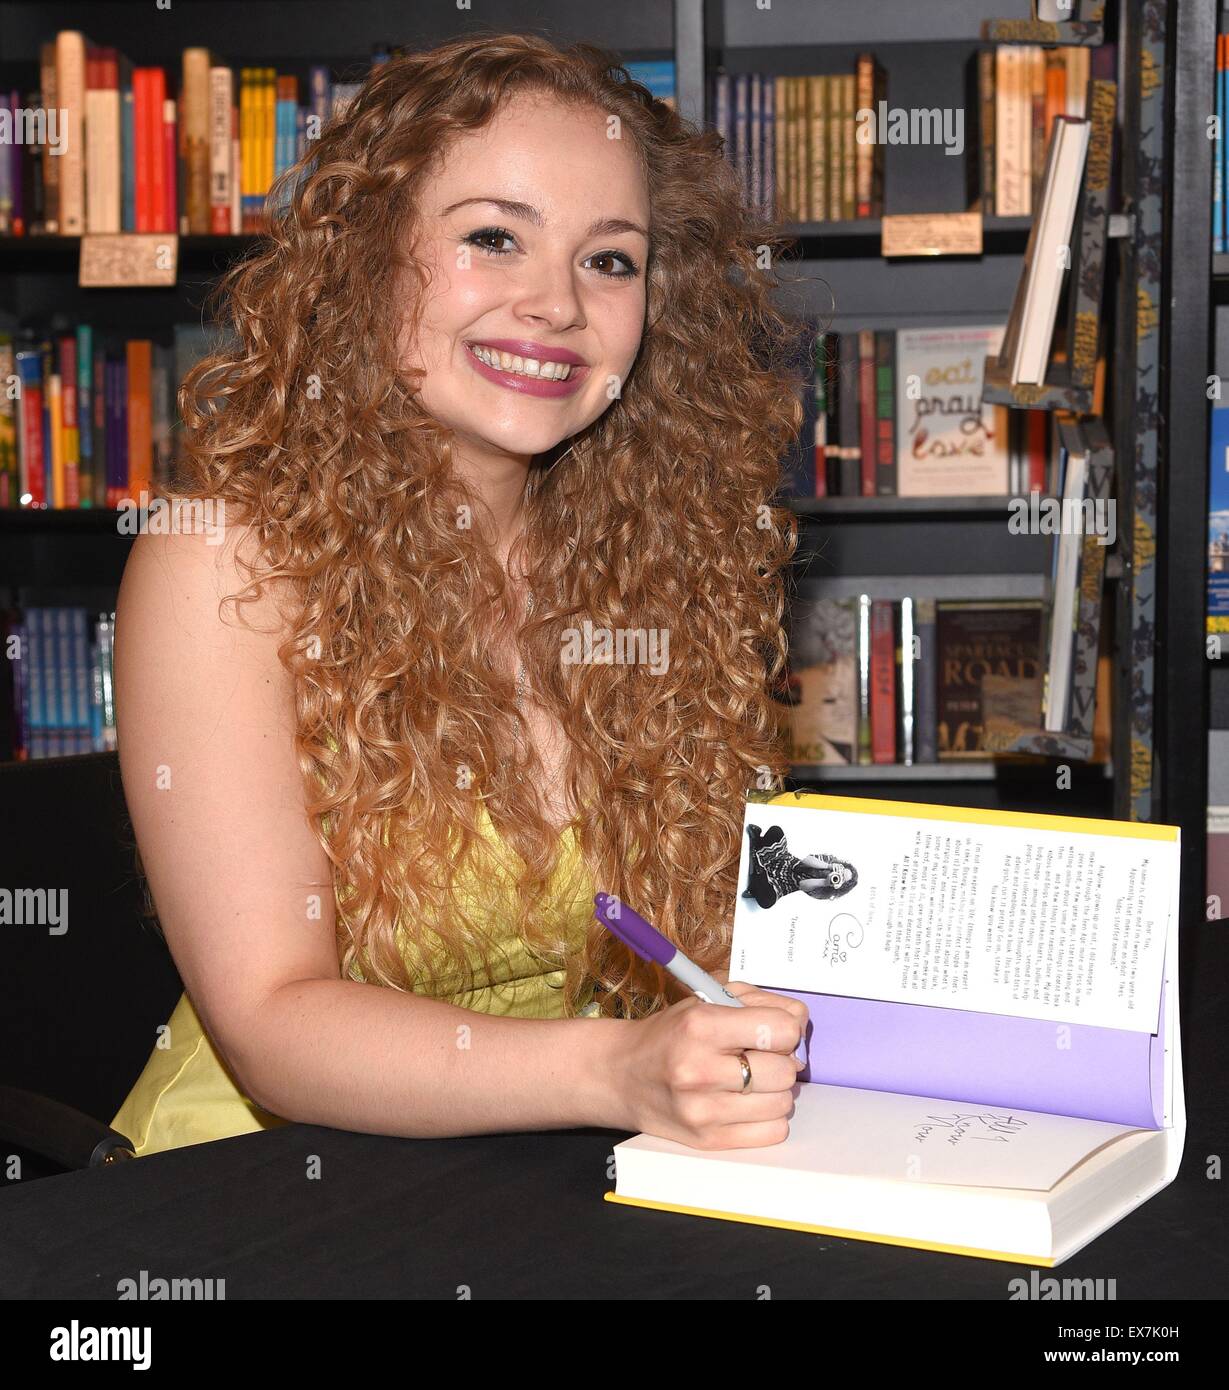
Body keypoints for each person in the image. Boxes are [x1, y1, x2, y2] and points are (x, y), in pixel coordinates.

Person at [109, 33, 809, 1158]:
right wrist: (617, 1070)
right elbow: (270, 1024)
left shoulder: (660, 557)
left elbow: (695, 941)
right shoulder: (224, 563)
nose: (558, 306)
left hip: (545, 1164)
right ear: (367, 259)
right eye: (494, 238)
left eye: (609, 260)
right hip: (264, 1185)